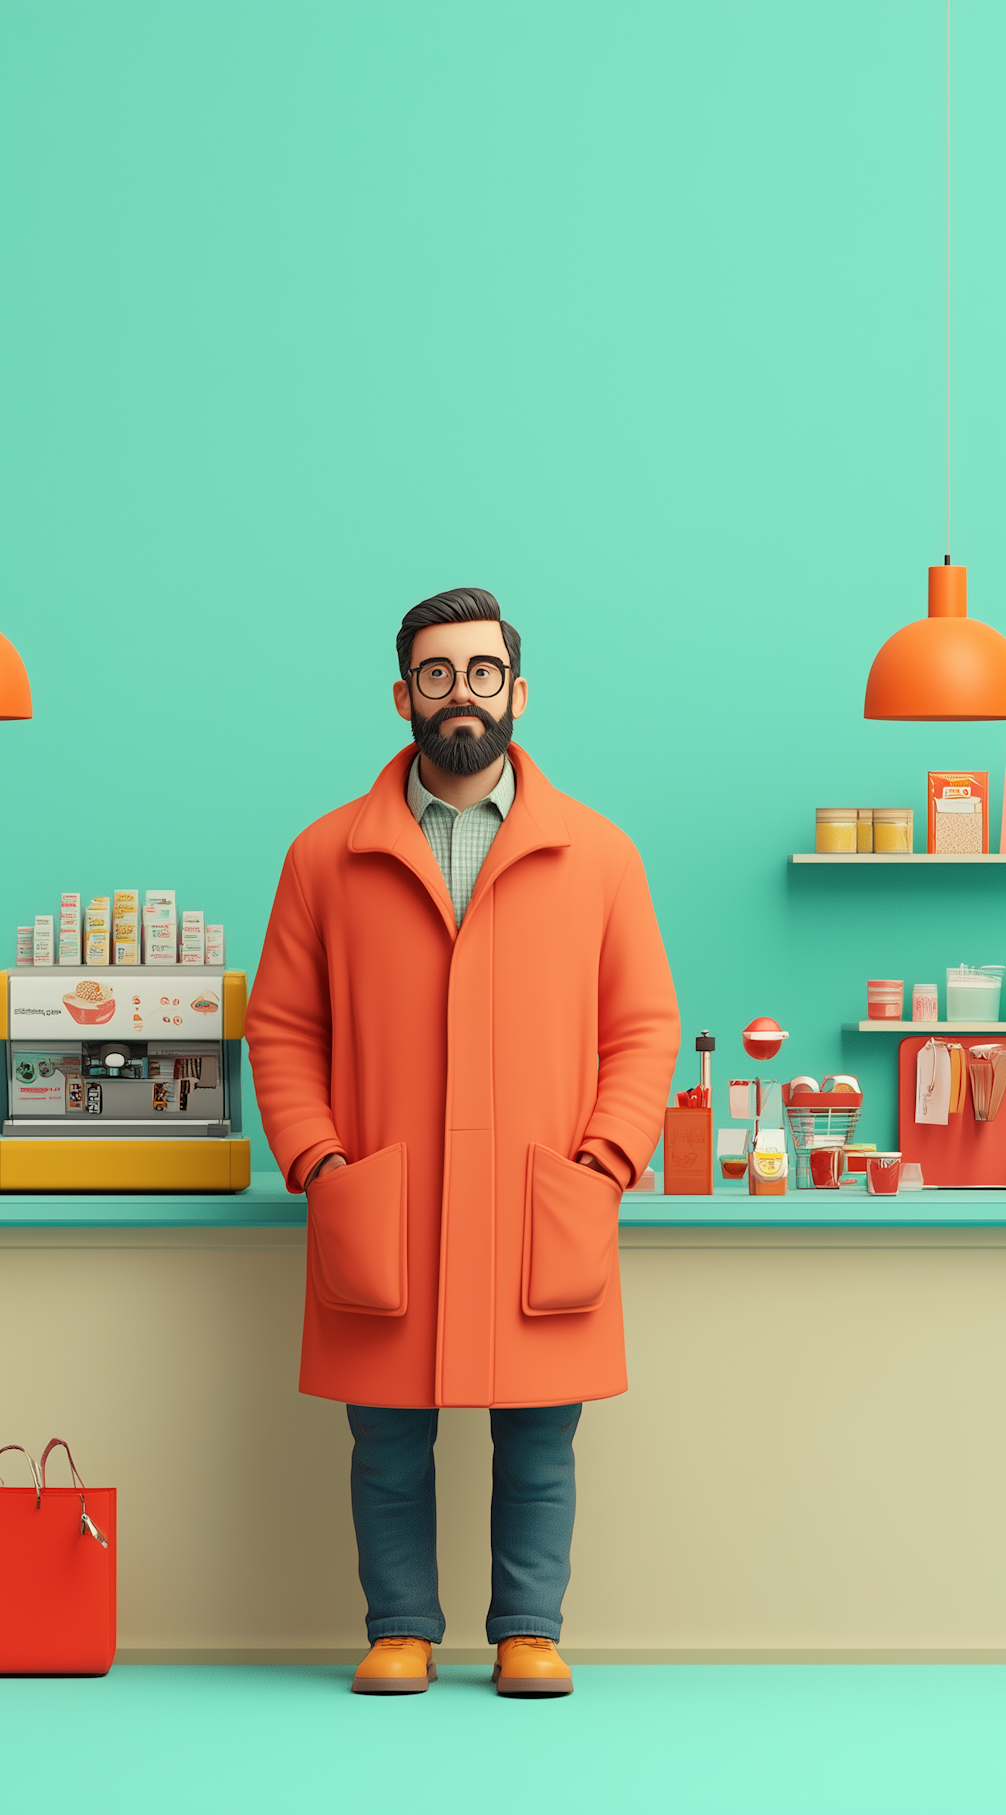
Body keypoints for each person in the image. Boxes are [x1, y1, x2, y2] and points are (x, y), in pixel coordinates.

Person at [246, 587, 678, 1696]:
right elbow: (283, 1028)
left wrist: (605, 1162)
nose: (461, 695)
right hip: (385, 1192)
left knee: (540, 1438)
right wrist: (322, 1164)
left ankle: (529, 1628)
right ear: (403, 696)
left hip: (544, 1193)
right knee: (387, 1441)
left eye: (482, 673)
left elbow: (642, 1029)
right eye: (436, 675)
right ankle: (401, 1627)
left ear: (517, 693)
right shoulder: (322, 858)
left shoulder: (600, 856)